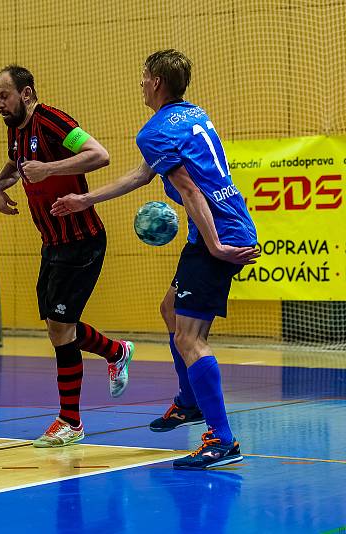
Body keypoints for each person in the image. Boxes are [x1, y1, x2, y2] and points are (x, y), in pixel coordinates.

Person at [50, 49, 260, 469]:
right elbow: (143, 174)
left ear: (157, 82)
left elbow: (189, 192)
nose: (141, 83)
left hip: (218, 235)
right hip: (218, 227)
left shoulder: (155, 130)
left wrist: (217, 246)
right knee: (170, 310)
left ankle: (222, 440)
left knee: (190, 339)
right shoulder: (192, 115)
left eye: (144, 77)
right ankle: (188, 402)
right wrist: (85, 199)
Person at [0, 65, 135, 448]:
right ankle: (117, 351)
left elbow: (99, 155)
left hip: (82, 240)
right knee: (58, 328)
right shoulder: (16, 130)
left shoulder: (50, 119)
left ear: (26, 93)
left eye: (5, 95)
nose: (0, 103)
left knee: (60, 325)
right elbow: (16, 161)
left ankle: (70, 421)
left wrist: (49, 168)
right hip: (52, 243)